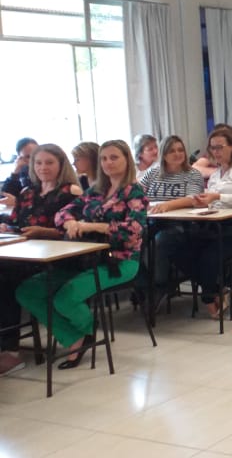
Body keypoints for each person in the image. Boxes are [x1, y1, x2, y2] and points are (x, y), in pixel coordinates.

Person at [16, 140, 147, 369]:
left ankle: (81, 335)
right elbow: (62, 214)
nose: (108, 163)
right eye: (104, 158)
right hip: (83, 258)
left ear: (127, 159)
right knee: (28, 291)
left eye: (114, 157)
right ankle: (78, 334)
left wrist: (91, 226)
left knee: (66, 297)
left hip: (119, 261)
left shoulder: (134, 192)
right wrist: (72, 222)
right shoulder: (95, 191)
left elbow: (132, 231)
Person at [0, 144, 81, 375]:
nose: (43, 167)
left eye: (49, 163)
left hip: (56, 258)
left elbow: (75, 232)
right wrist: (8, 226)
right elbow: (17, 222)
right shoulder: (27, 193)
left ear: (60, 165)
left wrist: (44, 232)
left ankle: (10, 349)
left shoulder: (70, 191)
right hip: (25, 252)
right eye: (38, 163)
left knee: (5, 281)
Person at [171, 126, 232, 319]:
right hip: (215, 223)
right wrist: (203, 203)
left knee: (209, 255)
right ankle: (218, 289)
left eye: (220, 147)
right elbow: (212, 202)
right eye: (212, 148)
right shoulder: (216, 174)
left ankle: (209, 298)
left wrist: (218, 196)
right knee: (179, 249)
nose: (215, 152)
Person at [139, 135, 206, 296]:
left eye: (180, 150)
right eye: (171, 151)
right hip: (152, 221)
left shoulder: (192, 174)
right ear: (164, 154)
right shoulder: (153, 172)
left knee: (160, 241)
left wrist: (167, 205)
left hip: (181, 225)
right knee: (134, 239)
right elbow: (137, 192)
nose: (177, 154)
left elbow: (193, 199)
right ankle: (143, 285)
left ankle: (159, 285)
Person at [1, 137, 38, 204]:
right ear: (20, 158)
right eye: (28, 157)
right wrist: (16, 171)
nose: (33, 159)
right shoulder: (23, 171)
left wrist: (18, 203)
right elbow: (5, 197)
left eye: (35, 155)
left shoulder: (45, 171)